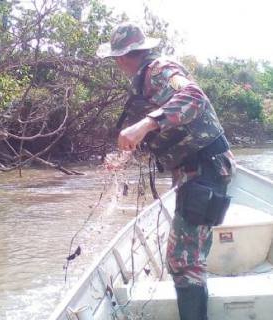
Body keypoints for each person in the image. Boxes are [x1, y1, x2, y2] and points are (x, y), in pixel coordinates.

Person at [96, 22, 235, 320]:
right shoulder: (145, 82)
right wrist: (123, 155)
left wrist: (146, 123)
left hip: (205, 168)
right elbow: (162, 134)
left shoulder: (160, 70)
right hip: (196, 171)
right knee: (186, 258)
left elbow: (194, 97)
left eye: (117, 60)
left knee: (183, 261)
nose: (118, 65)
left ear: (121, 58)